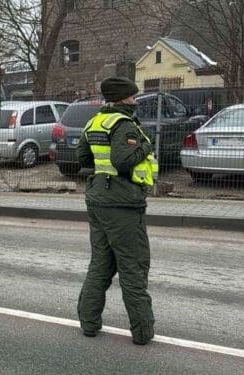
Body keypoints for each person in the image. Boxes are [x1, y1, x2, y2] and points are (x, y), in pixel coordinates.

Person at [77, 77, 159, 345]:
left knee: (100, 263)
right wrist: (146, 145)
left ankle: (89, 323)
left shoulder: (95, 122)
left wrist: (102, 175)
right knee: (133, 267)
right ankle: (143, 333)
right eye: (133, 98)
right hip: (122, 204)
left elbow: (83, 159)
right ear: (124, 99)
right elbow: (123, 161)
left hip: (98, 198)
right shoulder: (125, 125)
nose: (136, 102)